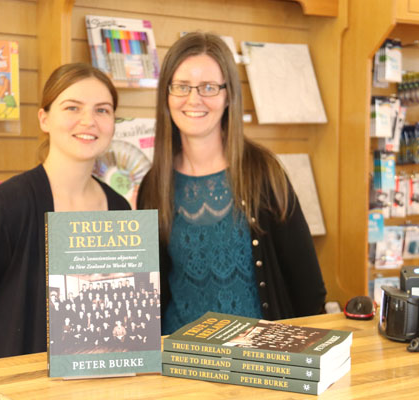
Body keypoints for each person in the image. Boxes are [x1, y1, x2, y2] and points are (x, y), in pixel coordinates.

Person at [0, 63, 130, 396]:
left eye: (102, 110)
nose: (88, 120)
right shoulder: (7, 207)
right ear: (44, 118)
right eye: (72, 107)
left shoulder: (120, 210)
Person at [136, 32, 326, 335]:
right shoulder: (153, 185)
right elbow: (152, 295)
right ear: (166, 95)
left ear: (228, 96)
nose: (193, 99)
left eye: (209, 87)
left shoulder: (263, 173)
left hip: (258, 357)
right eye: (181, 86)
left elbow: (309, 288)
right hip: (180, 356)